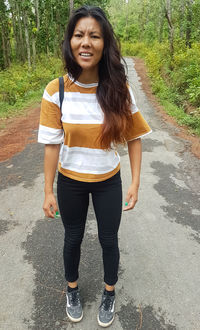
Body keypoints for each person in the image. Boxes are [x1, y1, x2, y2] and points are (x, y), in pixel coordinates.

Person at [38, 5, 151, 328]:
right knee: (72, 238)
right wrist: (48, 190)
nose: (85, 42)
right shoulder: (55, 90)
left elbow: (135, 137)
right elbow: (51, 145)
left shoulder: (118, 90)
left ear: (105, 44)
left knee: (108, 239)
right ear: (70, 42)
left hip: (107, 181)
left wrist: (135, 183)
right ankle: (72, 289)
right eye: (78, 35)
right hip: (70, 180)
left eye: (94, 36)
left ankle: (109, 292)